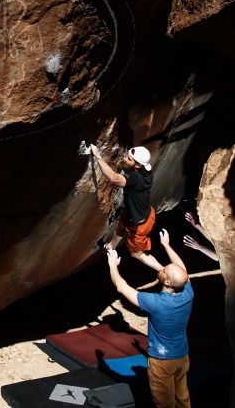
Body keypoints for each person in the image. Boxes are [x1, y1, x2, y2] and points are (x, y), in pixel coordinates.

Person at [107, 229, 194, 408]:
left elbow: (122, 288)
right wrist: (166, 246)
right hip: (182, 356)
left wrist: (112, 265)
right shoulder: (188, 293)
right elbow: (182, 269)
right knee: (183, 399)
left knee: (164, 404)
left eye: (164, 270)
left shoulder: (156, 302)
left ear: (168, 283)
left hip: (162, 361)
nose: (162, 268)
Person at [89, 144, 163, 271]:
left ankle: (163, 269)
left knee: (136, 253)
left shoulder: (136, 178)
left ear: (138, 166)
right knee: (122, 223)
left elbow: (114, 178)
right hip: (136, 213)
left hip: (140, 224)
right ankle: (111, 246)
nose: (125, 159)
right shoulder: (146, 171)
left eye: (129, 159)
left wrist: (98, 157)